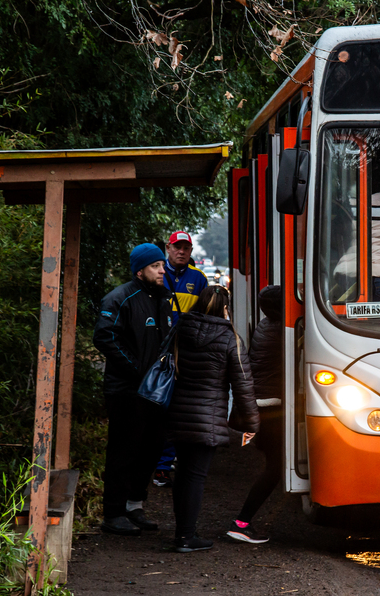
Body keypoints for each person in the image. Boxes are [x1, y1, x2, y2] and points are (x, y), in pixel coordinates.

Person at [165, 285, 261, 552]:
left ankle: (182, 532)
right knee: (195, 477)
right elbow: (243, 386)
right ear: (226, 309)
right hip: (207, 417)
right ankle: (186, 537)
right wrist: (251, 425)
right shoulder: (230, 338)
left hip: (178, 411)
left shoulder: (180, 330)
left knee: (183, 473)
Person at [92, 243, 171, 535]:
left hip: (154, 392)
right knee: (123, 451)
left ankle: (134, 506)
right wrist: (137, 369)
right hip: (126, 390)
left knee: (151, 448)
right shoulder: (120, 298)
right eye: (156, 266)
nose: (163, 271)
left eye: (162, 265)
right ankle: (112, 513)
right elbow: (103, 337)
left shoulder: (162, 298)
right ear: (140, 270)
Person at [153, 231, 210, 488]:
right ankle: (161, 464)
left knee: (184, 409)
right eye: (177, 247)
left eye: (186, 248)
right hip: (160, 353)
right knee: (161, 407)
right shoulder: (157, 275)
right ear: (168, 247)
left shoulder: (199, 279)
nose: (181, 252)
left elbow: (206, 314)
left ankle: (175, 461)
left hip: (188, 353)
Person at [227, 285, 283, 545]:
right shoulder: (281, 330)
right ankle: (241, 522)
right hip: (270, 408)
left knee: (273, 467)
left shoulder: (265, 325)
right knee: (274, 469)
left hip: (262, 406)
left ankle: (243, 521)